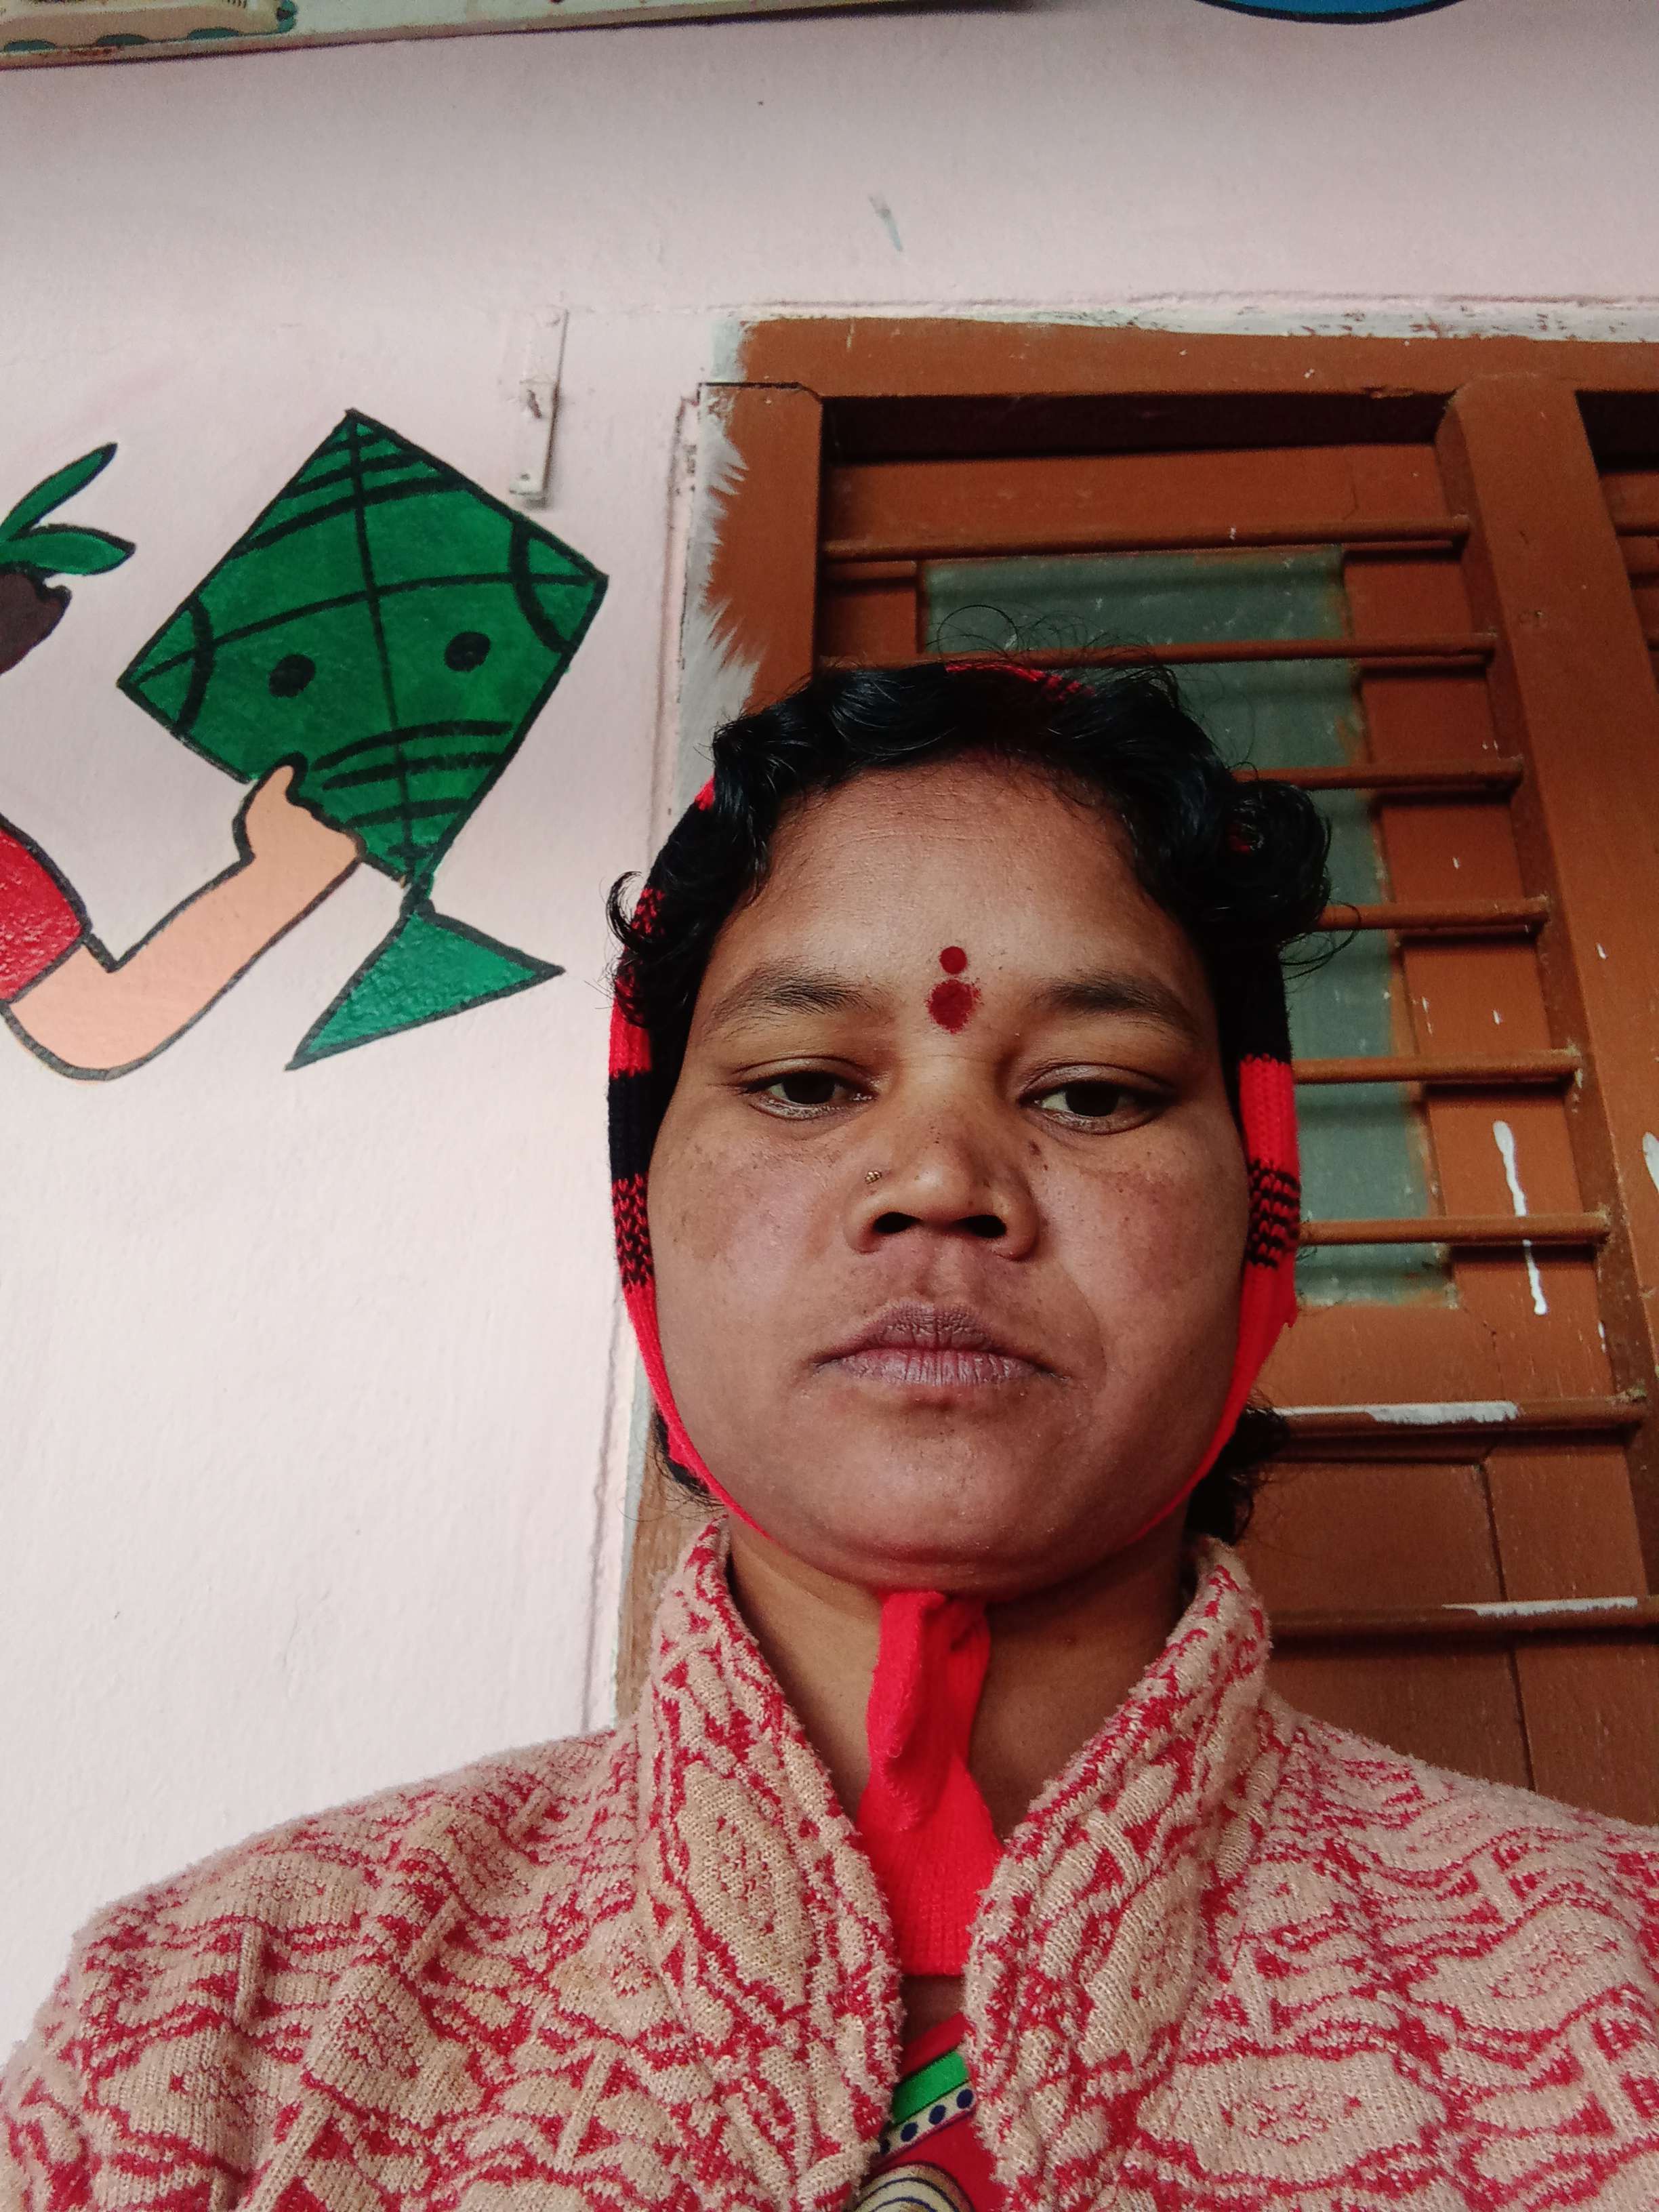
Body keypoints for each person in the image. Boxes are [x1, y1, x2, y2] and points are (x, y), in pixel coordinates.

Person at [5, 661, 1658, 2212]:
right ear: (642, 1200)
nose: (939, 1180)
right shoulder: (211, 2025)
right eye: (804, 1082)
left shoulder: (1622, 1981)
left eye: (1092, 1092)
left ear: (1263, 1212)